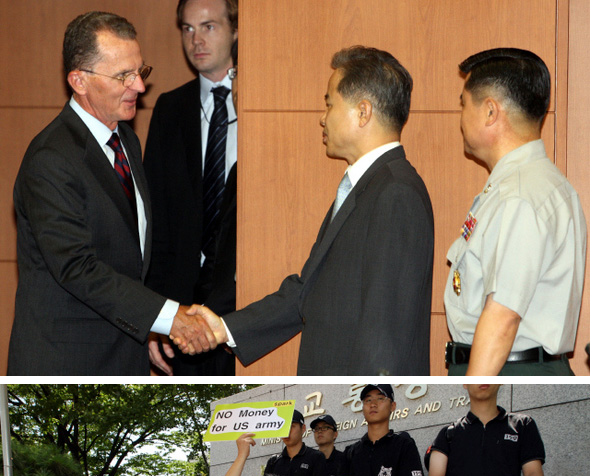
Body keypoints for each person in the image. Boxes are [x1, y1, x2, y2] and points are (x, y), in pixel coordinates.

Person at [171, 45, 434, 375]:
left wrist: (363, 405)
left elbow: (387, 331)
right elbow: (306, 291)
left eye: (329, 103)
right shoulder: (366, 187)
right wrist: (223, 328)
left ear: (363, 112)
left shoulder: (395, 192)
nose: (322, 118)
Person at [7, 11, 214, 376]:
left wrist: (145, 323)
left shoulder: (126, 139)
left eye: (141, 71)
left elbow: (129, 258)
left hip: (124, 356)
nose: (139, 86)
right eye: (123, 76)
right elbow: (78, 268)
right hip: (67, 372)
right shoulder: (51, 159)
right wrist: (166, 317)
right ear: (79, 81)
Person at [443, 48, 587, 376]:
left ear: (490, 111)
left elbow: (503, 317)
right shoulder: (538, 185)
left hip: (506, 372)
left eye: (464, 103)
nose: (461, 116)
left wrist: (471, 399)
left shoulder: (519, 196)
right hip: (511, 368)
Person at [144, 0, 238, 376]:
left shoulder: (260, 103)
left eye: (209, 26)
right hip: (180, 309)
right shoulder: (169, 108)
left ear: (234, 30)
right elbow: (155, 222)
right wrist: (154, 315)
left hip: (242, 302)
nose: (196, 39)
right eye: (187, 28)